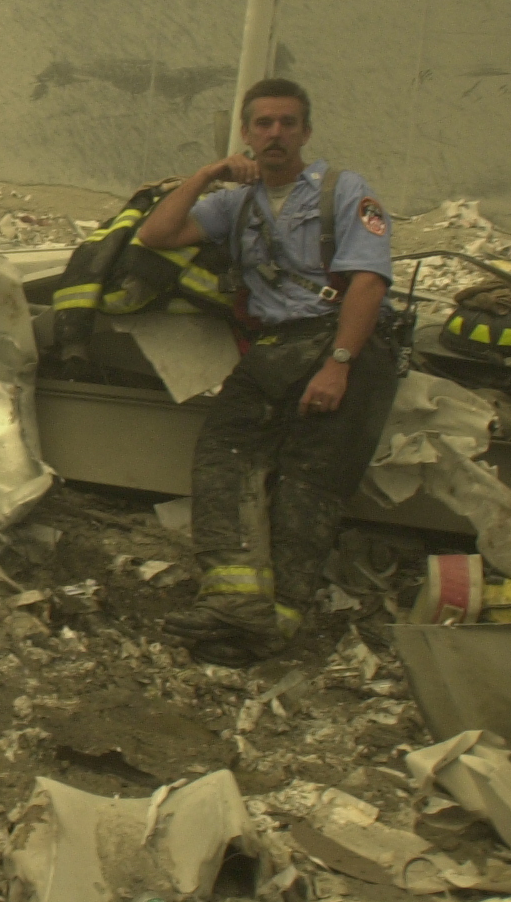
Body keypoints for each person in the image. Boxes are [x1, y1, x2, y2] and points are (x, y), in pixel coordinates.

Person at [136, 77, 397, 665]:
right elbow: (157, 234)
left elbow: (368, 284)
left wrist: (338, 366)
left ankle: (275, 623)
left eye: (287, 123)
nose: (275, 134)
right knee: (225, 457)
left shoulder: (344, 191)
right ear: (247, 133)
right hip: (277, 348)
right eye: (263, 124)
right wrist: (208, 174)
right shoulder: (235, 204)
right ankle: (237, 603)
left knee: (309, 485)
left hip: (339, 345)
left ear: (306, 131)